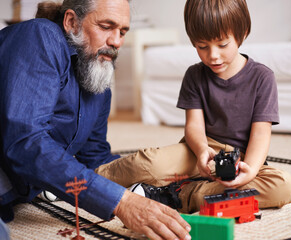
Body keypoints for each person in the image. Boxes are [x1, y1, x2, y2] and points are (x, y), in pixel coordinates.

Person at [0, 0, 192, 239]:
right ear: (71, 22)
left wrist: (172, 180)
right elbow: (25, 142)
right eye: (106, 26)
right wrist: (120, 202)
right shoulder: (40, 36)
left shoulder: (98, 84)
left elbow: (95, 159)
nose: (117, 41)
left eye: (122, 31)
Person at [96, 0, 291, 213]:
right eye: (202, 46)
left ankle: (181, 194)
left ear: (243, 32)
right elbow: (193, 126)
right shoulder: (195, 75)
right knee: (148, 163)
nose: (213, 55)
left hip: (243, 158)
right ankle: (89, 178)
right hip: (200, 152)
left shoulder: (262, 77)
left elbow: (261, 135)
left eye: (222, 45)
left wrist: (252, 170)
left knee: (283, 187)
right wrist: (202, 151)